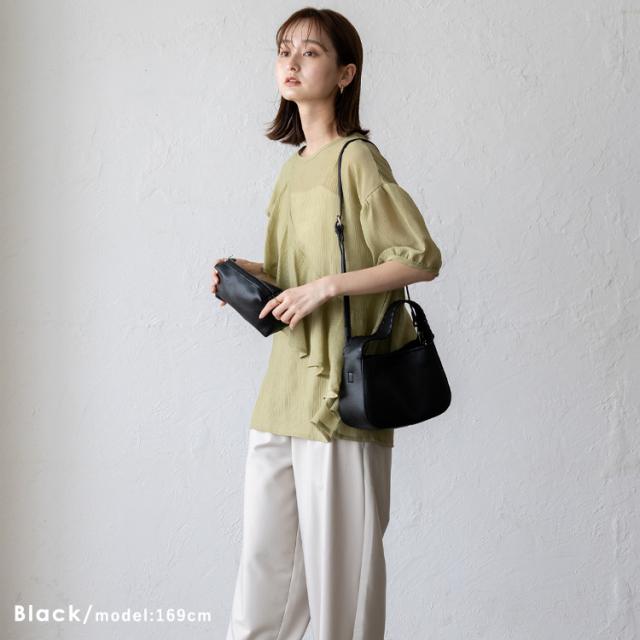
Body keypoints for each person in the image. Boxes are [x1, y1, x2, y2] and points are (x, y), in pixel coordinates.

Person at [211, 8, 443, 640]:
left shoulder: (356, 159)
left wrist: (327, 287)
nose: (290, 62)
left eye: (310, 52)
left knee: (344, 592)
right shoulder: (292, 168)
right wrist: (245, 275)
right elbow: (297, 272)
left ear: (345, 73)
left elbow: (419, 259)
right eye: (283, 49)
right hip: (282, 395)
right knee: (263, 584)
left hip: (342, 398)